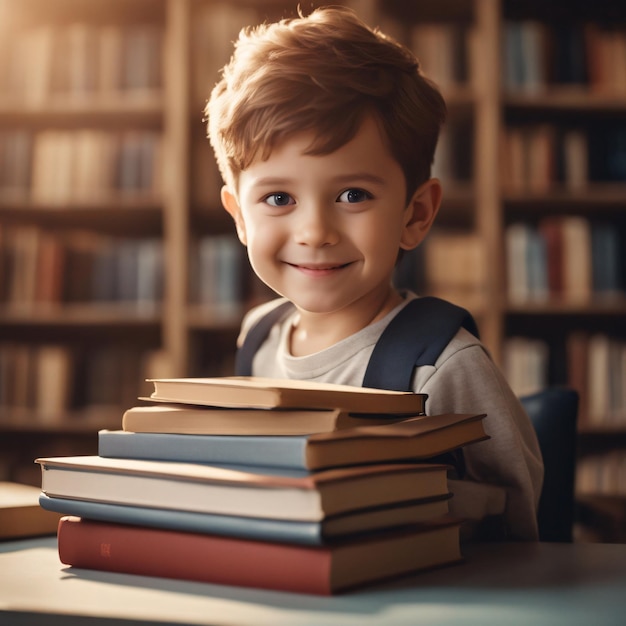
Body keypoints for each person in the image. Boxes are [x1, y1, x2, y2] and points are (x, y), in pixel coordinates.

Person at [206, 6, 543, 541]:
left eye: (352, 195)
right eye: (278, 198)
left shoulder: (443, 367)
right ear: (240, 217)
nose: (314, 231)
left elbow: (519, 538)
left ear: (416, 214)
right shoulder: (259, 339)